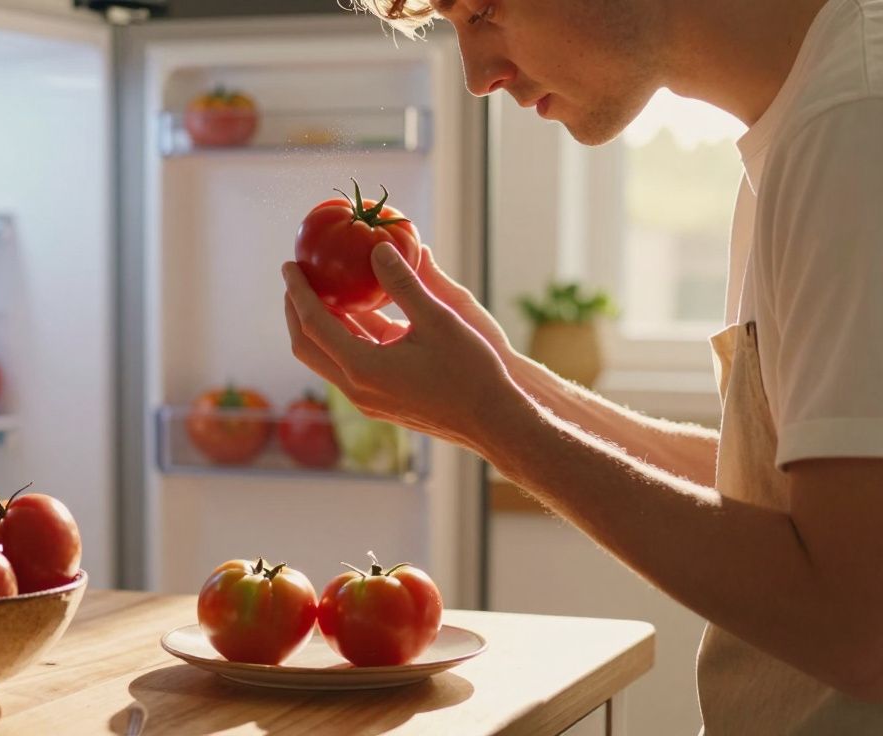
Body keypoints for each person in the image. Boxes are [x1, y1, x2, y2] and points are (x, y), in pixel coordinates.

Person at [282, 0, 883, 731]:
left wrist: (496, 422)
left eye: (482, 10)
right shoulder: (806, 122)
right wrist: (508, 380)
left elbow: (861, 629)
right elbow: (783, 507)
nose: (476, 77)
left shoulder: (854, 125)